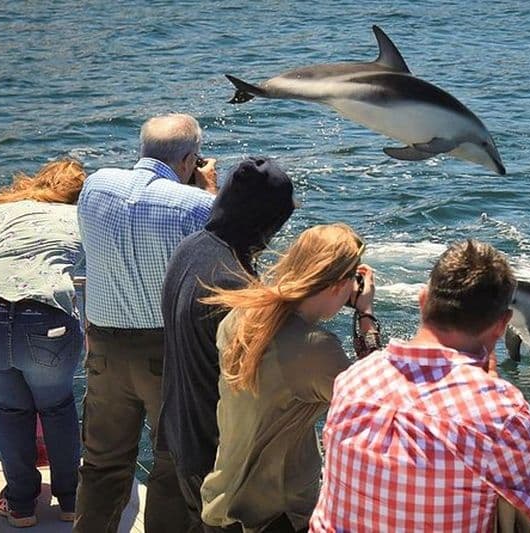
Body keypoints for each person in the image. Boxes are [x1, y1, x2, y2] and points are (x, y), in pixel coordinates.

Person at [309, 240, 530, 532]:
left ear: (423, 300)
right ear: (502, 325)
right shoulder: (502, 412)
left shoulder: (353, 380)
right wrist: (492, 390)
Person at [74, 113, 218, 532]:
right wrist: (210, 191)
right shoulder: (198, 205)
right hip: (167, 354)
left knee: (101, 463)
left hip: (104, 350)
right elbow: (223, 255)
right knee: (172, 464)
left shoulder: (96, 184)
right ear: (191, 159)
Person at [200, 223, 381, 533]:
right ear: (339, 285)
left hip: (222, 498)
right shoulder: (314, 348)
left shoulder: (242, 317)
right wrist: (365, 315)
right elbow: (380, 400)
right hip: (276, 513)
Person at [156, 156, 297, 533]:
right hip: (217, 458)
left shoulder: (191, 249)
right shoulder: (235, 285)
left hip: (180, 432)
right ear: (268, 222)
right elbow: (262, 386)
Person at [0, 159, 87, 528]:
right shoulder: (81, 216)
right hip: (46, 321)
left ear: (37, 183)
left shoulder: (5, 210)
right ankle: (72, 501)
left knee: (12, 408)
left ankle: (21, 505)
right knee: (56, 407)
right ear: (78, 193)